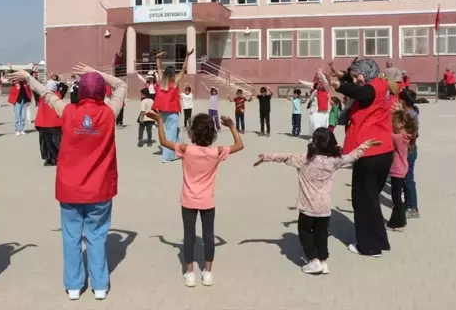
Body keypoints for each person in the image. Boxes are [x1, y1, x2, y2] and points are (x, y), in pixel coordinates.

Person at [5, 63, 127, 301]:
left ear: (80, 91)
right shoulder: (110, 111)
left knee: (71, 238)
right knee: (97, 237)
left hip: (70, 188)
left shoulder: (68, 111)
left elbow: (47, 95)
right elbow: (121, 85)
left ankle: (73, 286)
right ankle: (100, 286)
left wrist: (28, 77)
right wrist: (97, 74)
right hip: (100, 189)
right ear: (102, 91)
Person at [253, 129, 379, 274]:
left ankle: (314, 261)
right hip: (324, 209)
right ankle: (323, 261)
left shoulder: (304, 159)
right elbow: (352, 157)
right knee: (321, 234)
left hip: (308, 209)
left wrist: (266, 157)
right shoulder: (334, 161)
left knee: (304, 232)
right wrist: (365, 145)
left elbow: (285, 156)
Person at [148, 110, 243, 287]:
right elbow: (239, 145)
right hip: (208, 200)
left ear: (192, 132)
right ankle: (207, 273)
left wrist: (160, 120)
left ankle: (190, 273)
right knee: (208, 236)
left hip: (188, 200)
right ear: (211, 133)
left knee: (189, 236)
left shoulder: (186, 149)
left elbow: (163, 141)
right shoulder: (216, 152)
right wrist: (231, 126)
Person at [329, 58, 394, 257]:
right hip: (382, 151)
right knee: (372, 199)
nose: (356, 79)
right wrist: (344, 76)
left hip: (369, 153)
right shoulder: (381, 83)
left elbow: (360, 91)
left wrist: (339, 85)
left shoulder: (370, 90)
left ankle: (369, 247)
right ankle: (380, 241)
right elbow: (360, 85)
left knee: (363, 201)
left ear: (366, 73)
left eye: (357, 75)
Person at [153, 49, 195, 163]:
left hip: (163, 112)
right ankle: (167, 157)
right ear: (172, 74)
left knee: (176, 131)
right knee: (170, 134)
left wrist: (158, 58)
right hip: (173, 112)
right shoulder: (174, 82)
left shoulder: (161, 82)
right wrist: (186, 55)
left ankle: (179, 151)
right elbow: (183, 69)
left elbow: (159, 69)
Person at [387, 110, 418, 233]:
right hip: (400, 169)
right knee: (397, 199)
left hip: (397, 171)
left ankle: (399, 223)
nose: (391, 124)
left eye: (393, 122)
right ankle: (396, 222)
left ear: (401, 124)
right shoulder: (406, 135)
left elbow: (387, 134)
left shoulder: (399, 138)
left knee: (397, 200)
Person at [398, 89, 420, 219]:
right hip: (410, 149)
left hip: (408, 150)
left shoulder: (409, 115)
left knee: (408, 180)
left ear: (403, 101)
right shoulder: (412, 111)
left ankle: (412, 207)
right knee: (407, 179)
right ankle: (408, 204)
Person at [35, 80, 63, 166]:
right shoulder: (57, 95)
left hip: (44, 123)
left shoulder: (43, 96)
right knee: (57, 142)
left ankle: (49, 159)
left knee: (46, 143)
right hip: (55, 122)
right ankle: (58, 158)